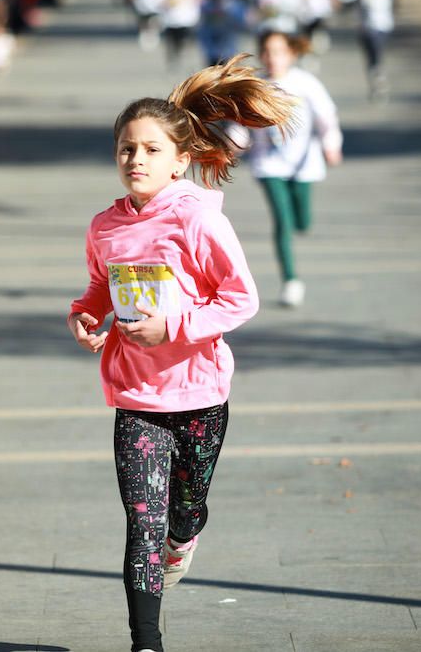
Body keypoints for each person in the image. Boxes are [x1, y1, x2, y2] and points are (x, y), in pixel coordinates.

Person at [66, 55, 295, 652]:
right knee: (142, 525)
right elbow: (98, 289)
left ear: (180, 160)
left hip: (199, 394)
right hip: (136, 396)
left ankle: (186, 535)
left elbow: (240, 299)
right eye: (125, 149)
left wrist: (175, 327)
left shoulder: (197, 220)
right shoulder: (105, 227)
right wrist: (86, 315)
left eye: (149, 150)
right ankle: (146, 643)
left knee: (181, 515)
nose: (136, 160)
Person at [230, 31, 341, 308]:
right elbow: (240, 125)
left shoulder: (305, 83)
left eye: (278, 51)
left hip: (304, 162)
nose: (272, 58)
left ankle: (300, 223)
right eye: (267, 51)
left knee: (301, 222)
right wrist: (231, 147)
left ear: (291, 54)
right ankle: (291, 280)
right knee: (282, 219)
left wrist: (331, 144)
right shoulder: (255, 87)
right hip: (268, 163)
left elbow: (326, 116)